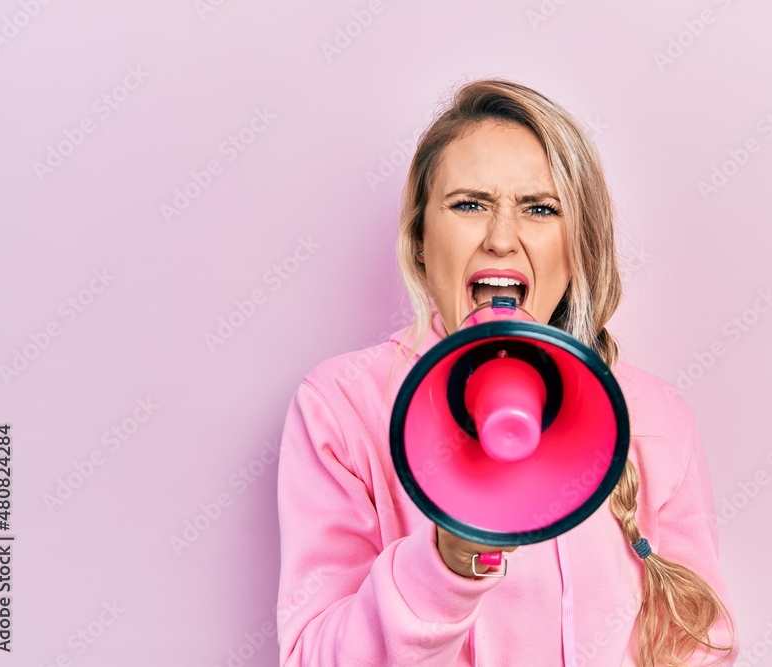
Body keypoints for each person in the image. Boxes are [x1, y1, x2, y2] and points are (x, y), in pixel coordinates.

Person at [276, 77, 739, 666]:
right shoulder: (341, 408)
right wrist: (445, 561)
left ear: (579, 249)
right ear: (419, 238)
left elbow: (699, 649)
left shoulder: (654, 416)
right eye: (469, 205)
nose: (500, 239)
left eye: (541, 209)